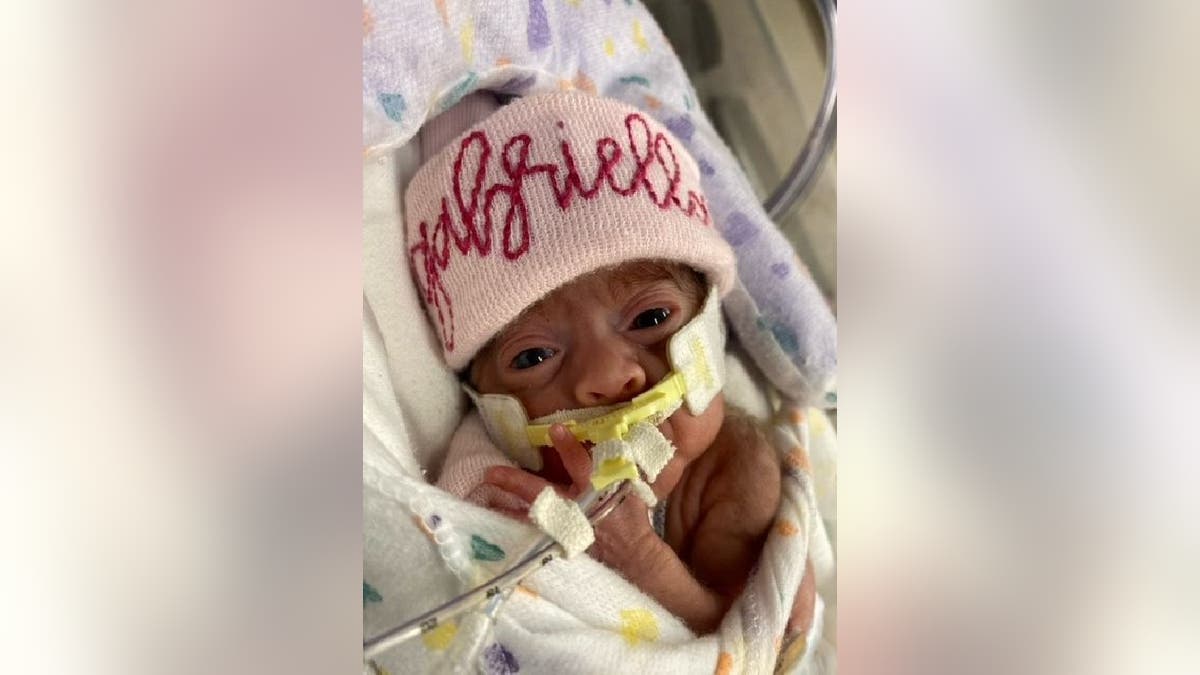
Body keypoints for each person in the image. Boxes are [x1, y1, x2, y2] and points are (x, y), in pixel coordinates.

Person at [405, 90, 813, 636]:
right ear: (486, 402)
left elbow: (757, 644)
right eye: (534, 356)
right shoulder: (491, 473)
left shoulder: (737, 468)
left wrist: (638, 556)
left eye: (649, 320)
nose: (607, 378)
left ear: (711, 340)